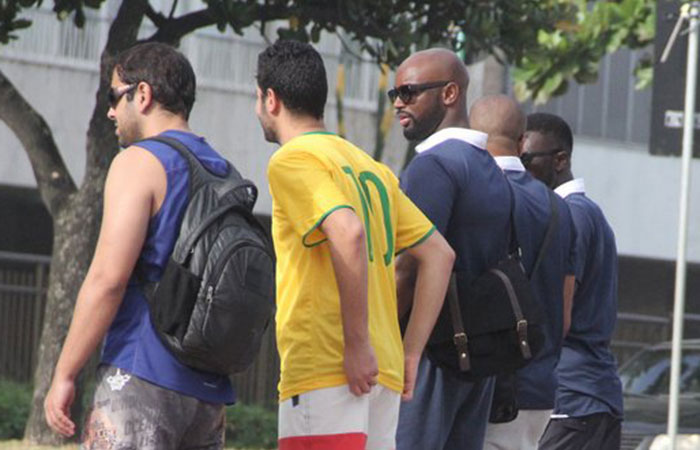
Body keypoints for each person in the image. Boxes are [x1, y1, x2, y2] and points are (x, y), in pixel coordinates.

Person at [255, 40, 455, 450]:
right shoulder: (372, 168)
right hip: (382, 370)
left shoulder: (293, 159)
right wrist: (410, 353)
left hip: (328, 365)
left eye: (257, 99)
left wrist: (356, 344)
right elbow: (439, 254)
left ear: (271, 99)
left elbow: (347, 231)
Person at [44, 42, 234, 449]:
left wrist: (64, 373)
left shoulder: (140, 161)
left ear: (142, 94)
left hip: (141, 373)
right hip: (208, 390)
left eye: (114, 97)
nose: (111, 111)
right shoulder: (222, 170)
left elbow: (108, 279)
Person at [391, 48, 513, 450]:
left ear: (448, 94)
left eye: (409, 92)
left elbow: (408, 267)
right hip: (477, 354)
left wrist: (375, 341)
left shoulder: (433, 166)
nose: (397, 104)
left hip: (428, 357)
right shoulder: (489, 168)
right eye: (394, 93)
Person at [469, 95, 577, 449]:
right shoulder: (560, 209)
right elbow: (563, 315)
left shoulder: (480, 194)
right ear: (520, 142)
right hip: (541, 387)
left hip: (493, 385)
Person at [522, 112, 623, 450]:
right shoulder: (587, 212)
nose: (520, 169)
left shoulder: (570, 215)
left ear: (560, 159)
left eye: (526, 158)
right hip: (595, 394)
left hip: (573, 397)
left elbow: (557, 318)